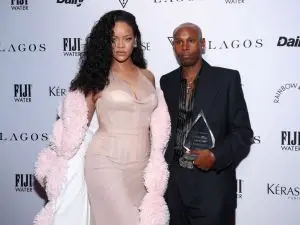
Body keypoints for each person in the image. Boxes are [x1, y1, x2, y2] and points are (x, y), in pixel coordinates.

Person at [34, 10, 170, 225]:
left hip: (141, 170)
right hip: (105, 164)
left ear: (135, 40)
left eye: (126, 39)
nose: (120, 45)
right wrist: (58, 161)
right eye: (113, 39)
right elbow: (77, 128)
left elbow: (157, 124)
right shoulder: (95, 77)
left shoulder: (148, 76)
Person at [160, 23, 253, 225]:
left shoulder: (227, 79)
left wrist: (214, 156)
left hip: (212, 187)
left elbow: (243, 133)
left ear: (202, 44)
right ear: (173, 47)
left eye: (191, 41)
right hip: (174, 187)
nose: (184, 47)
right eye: (178, 42)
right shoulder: (166, 82)